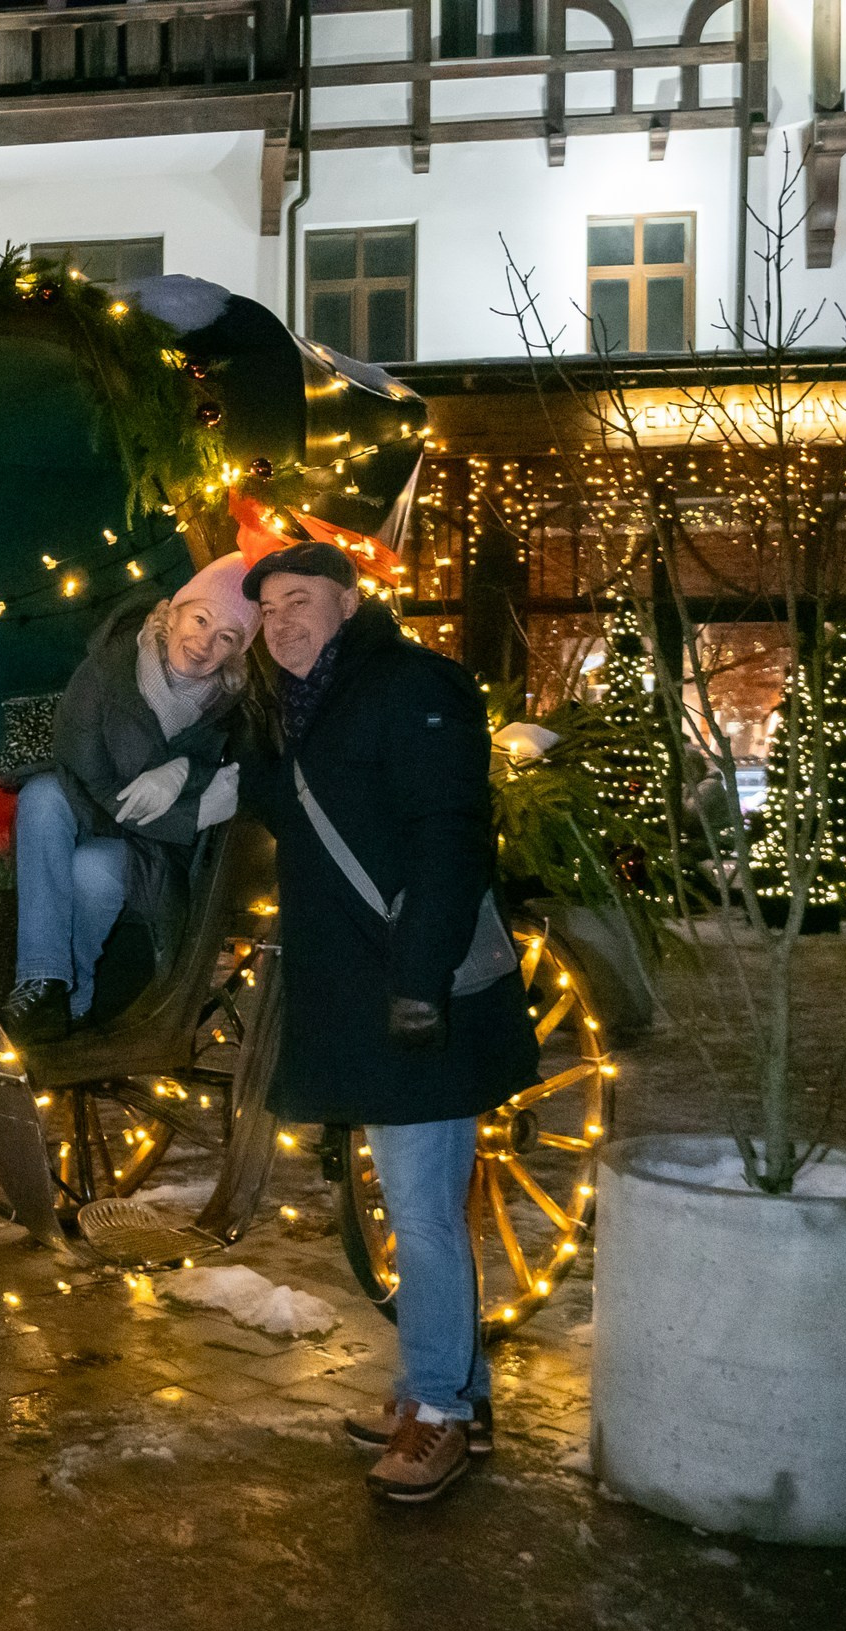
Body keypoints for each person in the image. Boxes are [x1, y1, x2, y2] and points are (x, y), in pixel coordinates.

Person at [237, 540, 539, 1504]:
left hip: (416, 996)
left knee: (420, 1210)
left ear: (348, 598)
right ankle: (444, 1389)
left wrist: (420, 981)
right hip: (364, 998)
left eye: (300, 601)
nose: (283, 623)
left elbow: (450, 833)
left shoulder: (413, 682)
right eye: (269, 611)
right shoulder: (302, 707)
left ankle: (440, 1411)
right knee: (417, 1204)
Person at [1, 558, 255, 1044]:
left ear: (236, 652)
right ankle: (43, 980)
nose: (205, 643)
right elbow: (82, 776)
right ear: (171, 614)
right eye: (201, 619)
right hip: (94, 811)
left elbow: (237, 772)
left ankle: (70, 999)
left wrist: (183, 769)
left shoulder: (229, 706)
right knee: (43, 794)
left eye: (226, 637)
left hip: (154, 858)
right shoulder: (104, 672)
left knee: (94, 868)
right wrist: (191, 809)